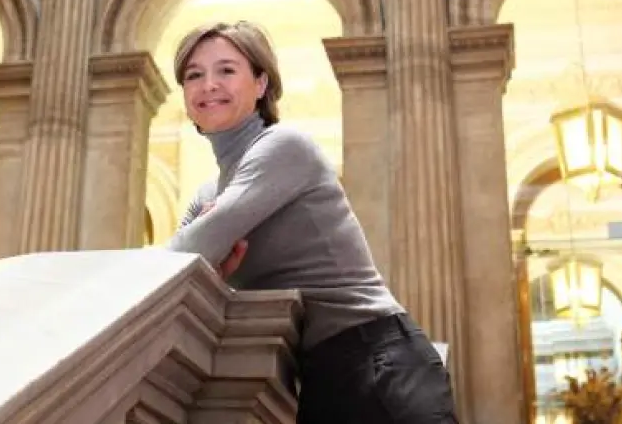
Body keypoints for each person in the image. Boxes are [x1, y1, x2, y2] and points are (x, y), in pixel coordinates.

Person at [164, 21, 459, 423]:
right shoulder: (206, 195)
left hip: (378, 358)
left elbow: (186, 249)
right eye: (193, 75)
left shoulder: (284, 146)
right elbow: (176, 269)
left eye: (226, 70)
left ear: (261, 83)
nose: (208, 85)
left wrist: (208, 247)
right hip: (318, 374)